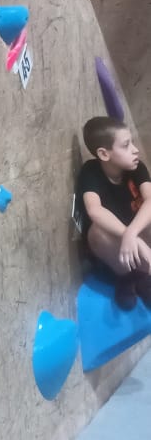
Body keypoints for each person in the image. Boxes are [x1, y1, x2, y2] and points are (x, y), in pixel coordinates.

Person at [76, 116, 151, 309]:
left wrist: (132, 233)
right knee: (97, 232)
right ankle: (127, 277)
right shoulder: (91, 171)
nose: (135, 150)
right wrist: (130, 237)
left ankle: (143, 276)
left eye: (132, 142)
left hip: (137, 234)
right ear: (104, 154)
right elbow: (94, 210)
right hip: (114, 248)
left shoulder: (137, 167)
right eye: (126, 145)